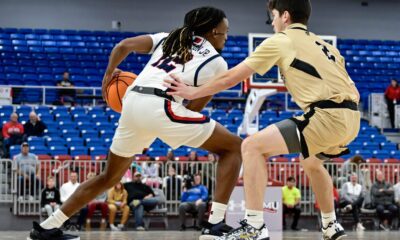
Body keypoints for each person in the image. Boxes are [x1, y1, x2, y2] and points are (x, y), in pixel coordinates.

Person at [29, 6, 243, 240]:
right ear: (214, 31)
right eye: (225, 32)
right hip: (161, 105)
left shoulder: (167, 38)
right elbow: (194, 107)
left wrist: (108, 75)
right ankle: (214, 224)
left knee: (108, 177)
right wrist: (170, 131)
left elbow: (124, 46)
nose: (227, 36)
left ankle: (47, 227)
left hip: (132, 101)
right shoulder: (217, 62)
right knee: (233, 148)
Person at [165, 1, 360, 239]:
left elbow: (232, 76)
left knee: (251, 146)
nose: (273, 23)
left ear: (285, 16)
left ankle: (255, 226)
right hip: (352, 118)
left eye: (274, 17)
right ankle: (331, 226)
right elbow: (349, 88)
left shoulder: (282, 40)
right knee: (311, 162)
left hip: (326, 116)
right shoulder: (325, 45)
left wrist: (192, 92)